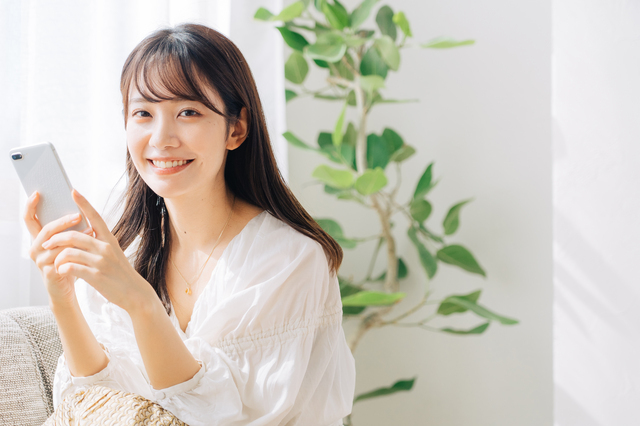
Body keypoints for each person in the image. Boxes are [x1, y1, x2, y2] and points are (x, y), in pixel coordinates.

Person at [24, 23, 356, 425]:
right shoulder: (124, 250)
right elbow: (95, 404)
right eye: (143, 113)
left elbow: (220, 418)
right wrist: (63, 298)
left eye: (188, 112)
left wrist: (141, 302)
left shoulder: (289, 260)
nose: (161, 138)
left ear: (236, 129)